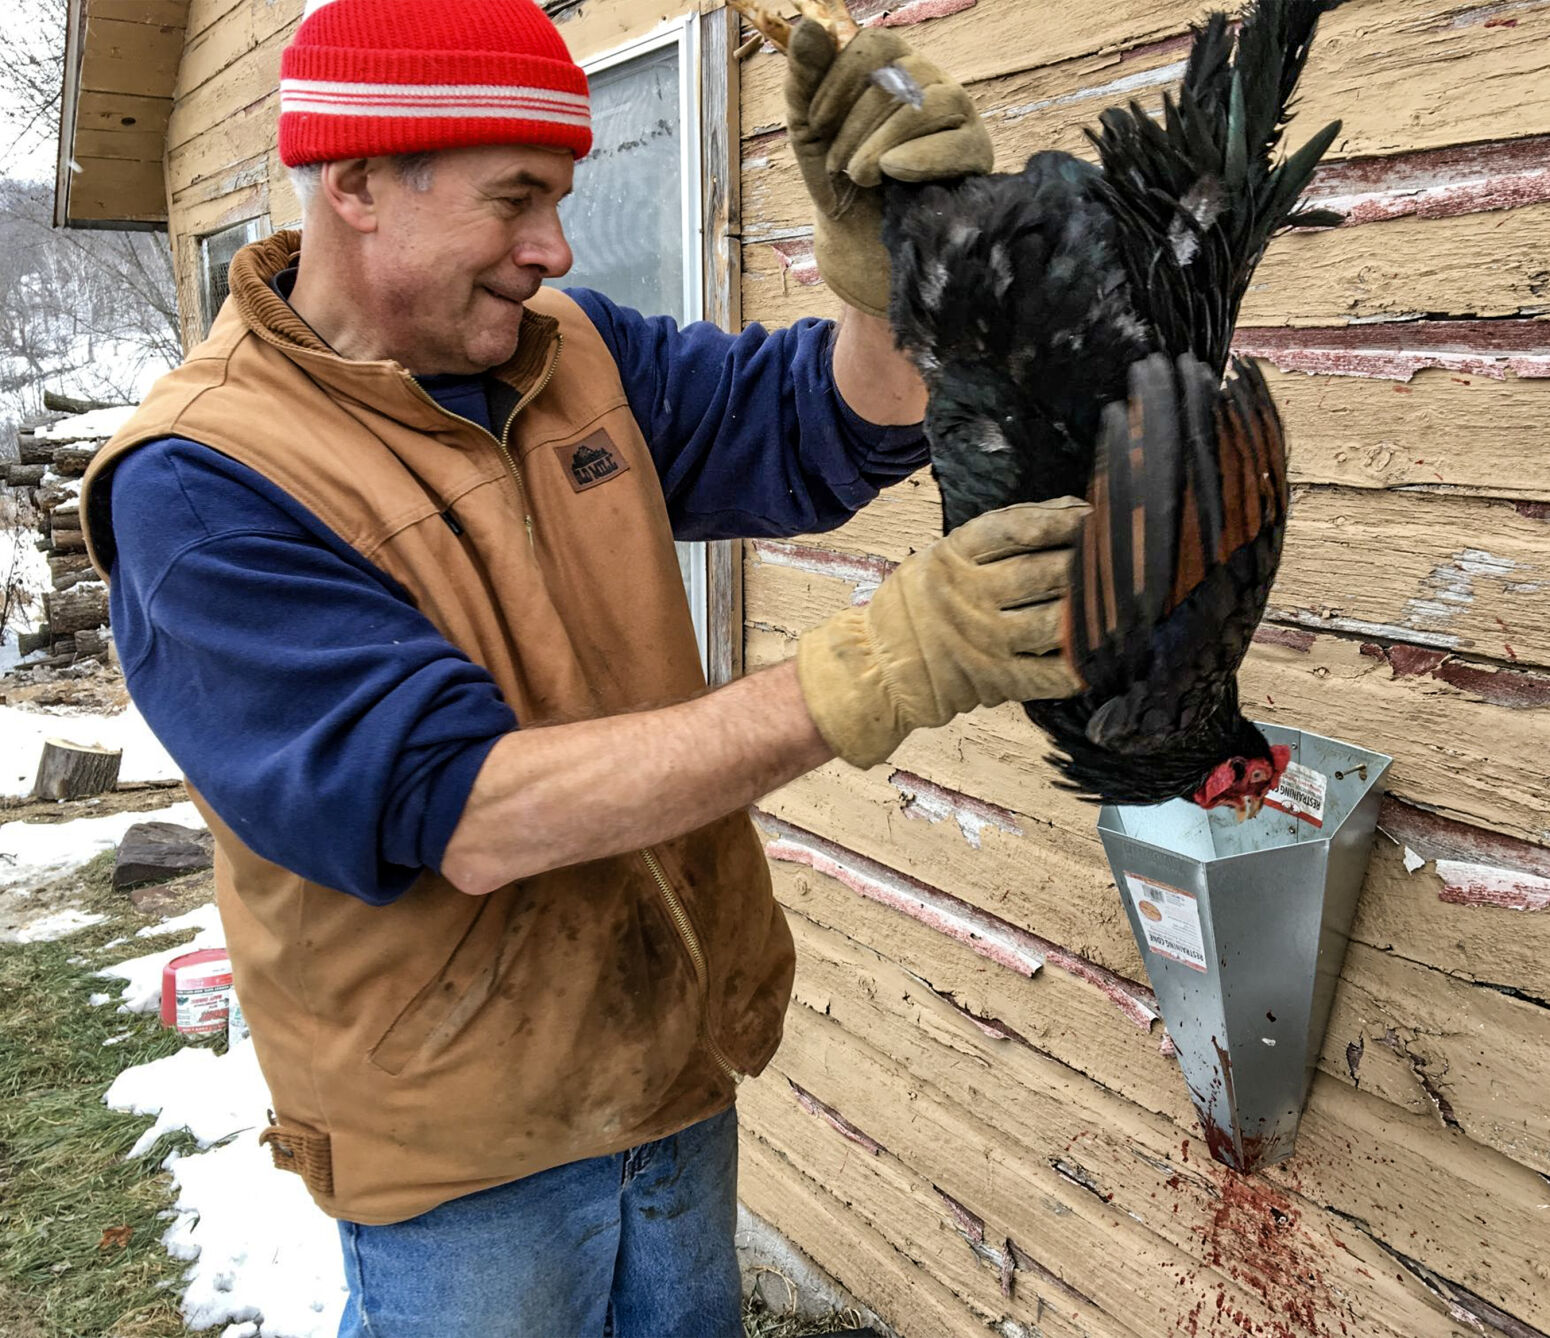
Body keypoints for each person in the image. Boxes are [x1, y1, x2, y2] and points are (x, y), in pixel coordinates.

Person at [78, 0, 1084, 1333]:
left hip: (669, 1065)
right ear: (360, 181)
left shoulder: (569, 354)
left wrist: (894, 281)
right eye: (515, 200)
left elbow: (825, 425)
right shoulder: (204, 483)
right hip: (461, 1155)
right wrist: (879, 667)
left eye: (559, 198)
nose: (551, 247)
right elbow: (468, 810)